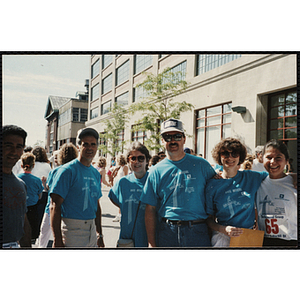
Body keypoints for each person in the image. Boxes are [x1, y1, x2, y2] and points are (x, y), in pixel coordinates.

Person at [140, 118, 216, 247]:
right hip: (168, 231)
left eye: (177, 136)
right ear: (162, 141)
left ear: (184, 139)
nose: (173, 141)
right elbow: (150, 209)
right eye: (167, 137)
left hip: (198, 230)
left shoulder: (202, 165)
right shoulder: (156, 171)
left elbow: (217, 193)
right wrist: (151, 243)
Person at [205, 138, 268, 247]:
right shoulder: (212, 185)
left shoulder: (251, 177)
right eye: (225, 153)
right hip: (222, 237)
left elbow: (276, 176)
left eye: (234, 154)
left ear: (240, 157)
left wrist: (294, 178)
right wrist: (223, 229)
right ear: (219, 156)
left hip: (247, 236)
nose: (230, 157)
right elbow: (208, 219)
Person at [49, 128, 104, 248]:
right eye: (85, 144)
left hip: (91, 229)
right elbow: (54, 206)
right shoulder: (67, 171)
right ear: (78, 146)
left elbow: (96, 205)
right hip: (72, 230)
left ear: (97, 147)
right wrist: (57, 239)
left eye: (93, 144)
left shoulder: (95, 173)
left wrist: (100, 234)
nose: (90, 148)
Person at [109, 142, 151, 247]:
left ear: (147, 160)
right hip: (127, 239)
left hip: (148, 239)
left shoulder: (153, 181)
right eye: (133, 158)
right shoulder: (122, 182)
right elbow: (113, 197)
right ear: (128, 160)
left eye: (141, 158)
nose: (137, 162)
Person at [256, 140, 297, 247]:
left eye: (278, 157)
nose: (273, 162)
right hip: (264, 241)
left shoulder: (294, 184)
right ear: (261, 159)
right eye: (269, 157)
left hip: (292, 241)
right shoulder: (257, 183)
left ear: (286, 160)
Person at [38, 143, 78, 248]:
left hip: (51, 208)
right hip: (69, 209)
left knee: (44, 233)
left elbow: (49, 188)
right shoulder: (76, 171)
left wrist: (44, 184)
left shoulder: (55, 171)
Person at [2, 125, 31, 248]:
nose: (14, 152)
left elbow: (23, 221)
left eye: (19, 147)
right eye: (8, 146)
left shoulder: (21, 185)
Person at [17, 153, 44, 241]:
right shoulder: (37, 180)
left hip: (19, 207)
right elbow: (40, 196)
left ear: (21, 165)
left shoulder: (16, 178)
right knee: (32, 226)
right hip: (32, 207)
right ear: (33, 165)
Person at [31, 146, 52, 240]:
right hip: (44, 192)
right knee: (41, 215)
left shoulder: (32, 164)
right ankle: (40, 235)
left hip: (32, 192)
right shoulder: (47, 166)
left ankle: (32, 233)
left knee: (31, 214)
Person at [111, 154, 129, 222]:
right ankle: (119, 214)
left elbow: (125, 176)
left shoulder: (125, 167)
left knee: (121, 201)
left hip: (123, 186)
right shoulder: (120, 167)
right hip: (119, 185)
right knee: (119, 200)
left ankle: (121, 215)